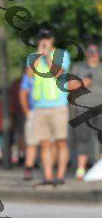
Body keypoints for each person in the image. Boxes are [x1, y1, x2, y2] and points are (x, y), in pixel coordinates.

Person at [26, 27, 71, 185]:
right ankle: (48, 176)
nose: (44, 41)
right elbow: (29, 75)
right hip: (40, 106)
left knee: (60, 142)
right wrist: (39, 55)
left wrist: (47, 57)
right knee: (44, 143)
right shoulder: (32, 57)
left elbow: (58, 73)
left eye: (47, 38)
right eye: (42, 38)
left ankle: (60, 175)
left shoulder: (62, 54)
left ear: (52, 39)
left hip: (58, 106)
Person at [70, 43, 102, 180]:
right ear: (87, 53)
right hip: (82, 108)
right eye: (90, 52)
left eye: (95, 52)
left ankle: (99, 169)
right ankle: (81, 169)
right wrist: (82, 83)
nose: (93, 54)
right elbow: (69, 85)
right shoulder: (78, 67)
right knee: (83, 139)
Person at [19, 70, 37, 180]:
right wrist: (27, 112)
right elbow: (23, 92)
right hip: (33, 112)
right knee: (31, 142)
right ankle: (28, 168)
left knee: (50, 143)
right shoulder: (29, 74)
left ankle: (49, 171)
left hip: (50, 109)